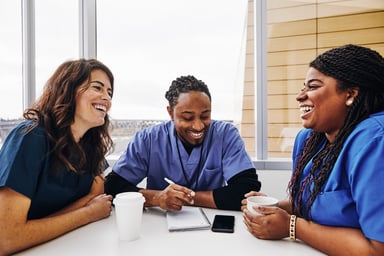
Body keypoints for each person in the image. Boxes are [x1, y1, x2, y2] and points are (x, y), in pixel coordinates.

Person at [242, 44, 384, 255]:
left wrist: (292, 227)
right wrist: (274, 208)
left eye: (313, 86)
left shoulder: (374, 140)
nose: (300, 96)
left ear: (350, 94)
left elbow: (377, 249)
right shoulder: (309, 140)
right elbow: (314, 205)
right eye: (303, 87)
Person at [0, 59, 114, 255]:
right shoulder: (29, 137)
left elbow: (97, 196)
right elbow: (7, 238)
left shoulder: (92, 146)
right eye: (98, 88)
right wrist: (86, 214)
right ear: (68, 89)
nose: (106, 98)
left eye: (110, 93)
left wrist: (36, 226)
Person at [105, 75, 261, 211]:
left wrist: (187, 198)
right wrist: (158, 198)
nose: (198, 126)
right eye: (187, 118)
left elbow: (247, 192)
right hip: (158, 224)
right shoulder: (148, 139)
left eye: (205, 116)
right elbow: (113, 187)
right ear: (170, 112)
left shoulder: (225, 135)